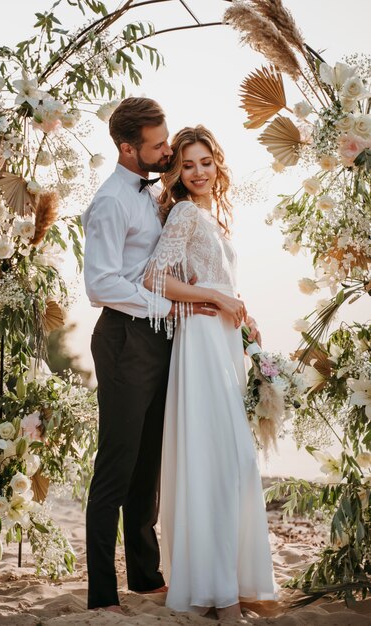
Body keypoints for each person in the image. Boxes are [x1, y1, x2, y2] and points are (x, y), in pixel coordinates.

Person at [81, 98, 217, 613]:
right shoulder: (113, 200)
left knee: (147, 466)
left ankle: (143, 575)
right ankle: (100, 595)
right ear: (127, 148)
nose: (167, 152)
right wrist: (165, 305)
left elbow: (155, 261)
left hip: (158, 336)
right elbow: (101, 284)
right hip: (123, 340)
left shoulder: (153, 193)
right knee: (115, 465)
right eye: (158, 146)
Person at [143, 125, 277, 620]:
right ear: (177, 171)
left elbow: (218, 281)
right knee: (222, 462)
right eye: (189, 164)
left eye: (206, 162)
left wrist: (245, 316)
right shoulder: (182, 212)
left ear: (216, 163)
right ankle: (215, 592)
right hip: (199, 345)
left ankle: (231, 586)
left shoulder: (210, 217)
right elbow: (156, 277)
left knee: (232, 463)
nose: (199, 172)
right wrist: (215, 297)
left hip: (223, 344)